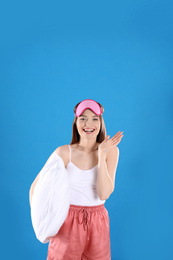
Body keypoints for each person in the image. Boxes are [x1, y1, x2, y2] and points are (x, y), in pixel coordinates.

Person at [29, 99, 123, 260]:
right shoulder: (64, 153)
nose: (89, 123)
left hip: (98, 221)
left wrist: (102, 154)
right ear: (76, 122)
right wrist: (43, 221)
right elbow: (35, 188)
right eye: (83, 118)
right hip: (68, 220)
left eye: (95, 118)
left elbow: (104, 194)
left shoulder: (111, 151)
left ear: (101, 122)